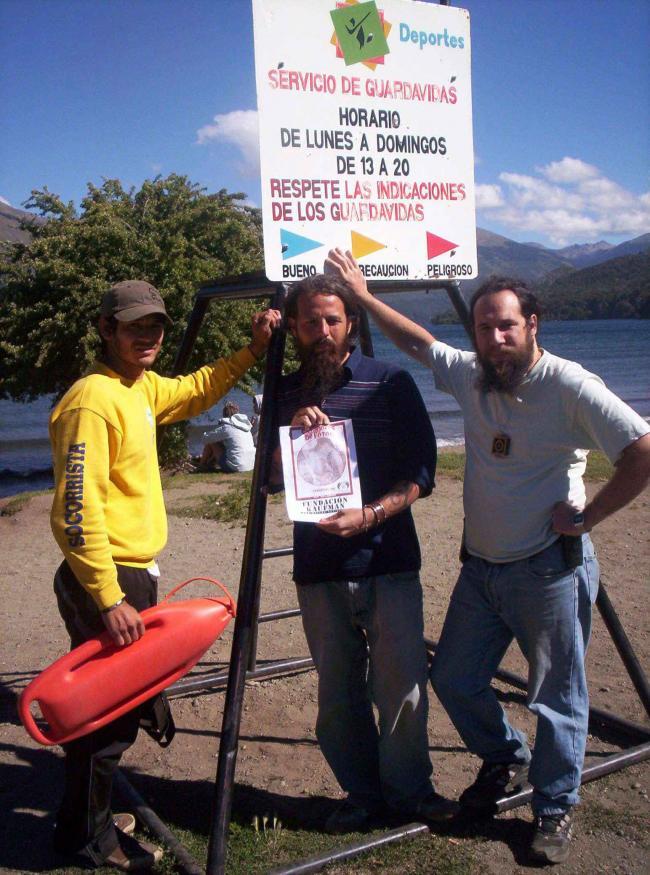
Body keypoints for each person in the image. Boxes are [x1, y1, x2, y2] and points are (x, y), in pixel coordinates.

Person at [326, 248, 650, 864]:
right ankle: (506, 755)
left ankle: (554, 807)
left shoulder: (570, 384)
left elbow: (641, 447)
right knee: (451, 678)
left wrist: (589, 516)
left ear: (534, 325)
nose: (496, 338)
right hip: (481, 568)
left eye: (507, 325)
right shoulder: (475, 374)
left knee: (556, 695)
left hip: (548, 568)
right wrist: (364, 299)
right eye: (484, 327)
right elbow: (422, 345)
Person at [49, 280, 280, 871]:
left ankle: (86, 820)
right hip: (110, 580)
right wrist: (106, 597)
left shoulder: (138, 386)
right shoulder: (91, 400)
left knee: (113, 711)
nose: (148, 336)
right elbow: (74, 513)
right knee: (107, 722)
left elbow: (194, 390)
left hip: (130, 574)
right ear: (106, 330)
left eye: (154, 325)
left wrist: (251, 352)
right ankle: (89, 841)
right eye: (134, 327)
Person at [270, 272, 458, 834]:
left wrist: (373, 514)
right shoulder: (282, 392)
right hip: (319, 568)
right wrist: (290, 439)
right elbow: (268, 482)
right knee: (337, 693)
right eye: (311, 321)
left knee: (400, 687)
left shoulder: (392, 381)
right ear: (297, 328)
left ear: (351, 323)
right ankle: (361, 793)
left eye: (332, 319)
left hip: (389, 559)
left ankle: (410, 792)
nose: (322, 330)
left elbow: (423, 470)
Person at [200, 401, 256, 472]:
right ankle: (209, 464)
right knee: (227, 444)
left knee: (212, 442)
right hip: (250, 465)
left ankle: (201, 465)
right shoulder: (246, 427)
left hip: (236, 467)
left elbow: (205, 438)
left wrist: (217, 439)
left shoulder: (227, 427)